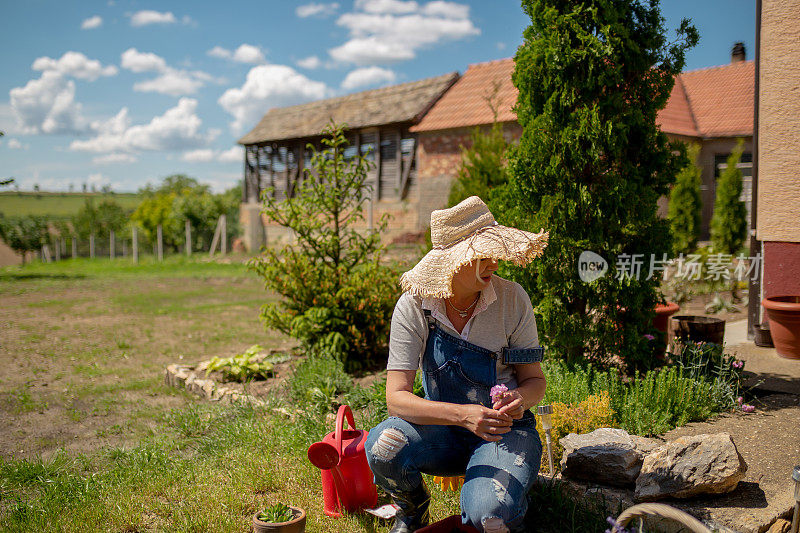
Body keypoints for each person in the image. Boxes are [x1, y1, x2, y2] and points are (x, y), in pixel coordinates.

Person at [365, 196, 549, 533]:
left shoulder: (513, 300)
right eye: (483, 254)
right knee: (383, 445)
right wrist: (463, 416)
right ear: (453, 261)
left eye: (495, 252)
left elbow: (535, 381)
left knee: (488, 516)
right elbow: (397, 399)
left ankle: (502, 497)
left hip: (503, 432)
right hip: (443, 431)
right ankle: (411, 509)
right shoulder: (415, 306)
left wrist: (519, 401)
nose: (494, 262)